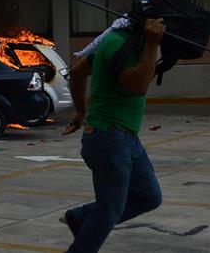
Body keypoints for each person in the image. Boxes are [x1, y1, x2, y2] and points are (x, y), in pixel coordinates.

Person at [60, 18, 165, 252]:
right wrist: (152, 44)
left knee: (149, 196)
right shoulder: (120, 45)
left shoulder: (121, 43)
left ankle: (81, 218)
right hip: (108, 138)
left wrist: (80, 112)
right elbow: (139, 85)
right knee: (108, 212)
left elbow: (77, 73)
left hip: (126, 138)